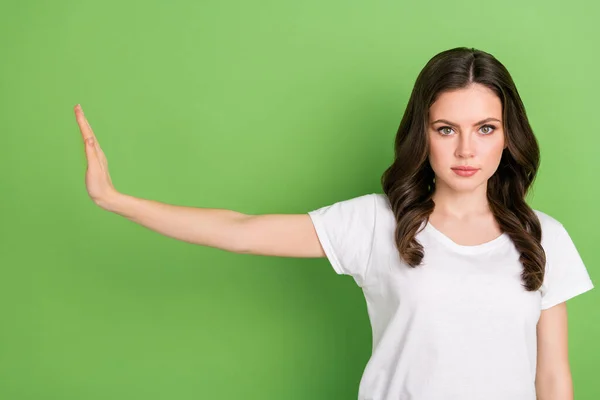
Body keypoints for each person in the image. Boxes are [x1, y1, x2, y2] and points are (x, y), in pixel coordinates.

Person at [74, 46, 594, 400]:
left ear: (508, 136)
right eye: (445, 128)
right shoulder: (375, 222)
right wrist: (118, 201)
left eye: (484, 128)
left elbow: (551, 375)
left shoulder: (543, 236)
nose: (465, 149)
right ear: (424, 134)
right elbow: (242, 230)